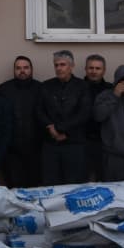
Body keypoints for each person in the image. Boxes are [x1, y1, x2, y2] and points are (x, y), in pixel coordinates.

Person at [36, 50, 91, 184]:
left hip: (74, 143)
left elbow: (84, 113)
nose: (59, 68)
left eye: (63, 65)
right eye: (56, 65)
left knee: (74, 184)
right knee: (51, 183)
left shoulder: (82, 86)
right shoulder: (46, 86)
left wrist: (62, 129)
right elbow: (39, 111)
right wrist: (51, 128)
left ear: (71, 66)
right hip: (51, 144)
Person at [0, 56, 43, 188]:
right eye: (18, 68)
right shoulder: (3, 89)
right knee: (14, 187)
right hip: (11, 150)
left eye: (25, 68)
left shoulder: (40, 88)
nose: (22, 71)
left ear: (31, 69)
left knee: (34, 186)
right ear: (14, 70)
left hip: (36, 148)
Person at [83, 54, 113, 181]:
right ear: (85, 69)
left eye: (98, 68)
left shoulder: (111, 89)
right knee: (85, 180)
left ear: (104, 70)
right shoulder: (77, 87)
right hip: (82, 141)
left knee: (105, 179)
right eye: (91, 68)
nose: (94, 71)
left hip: (105, 142)